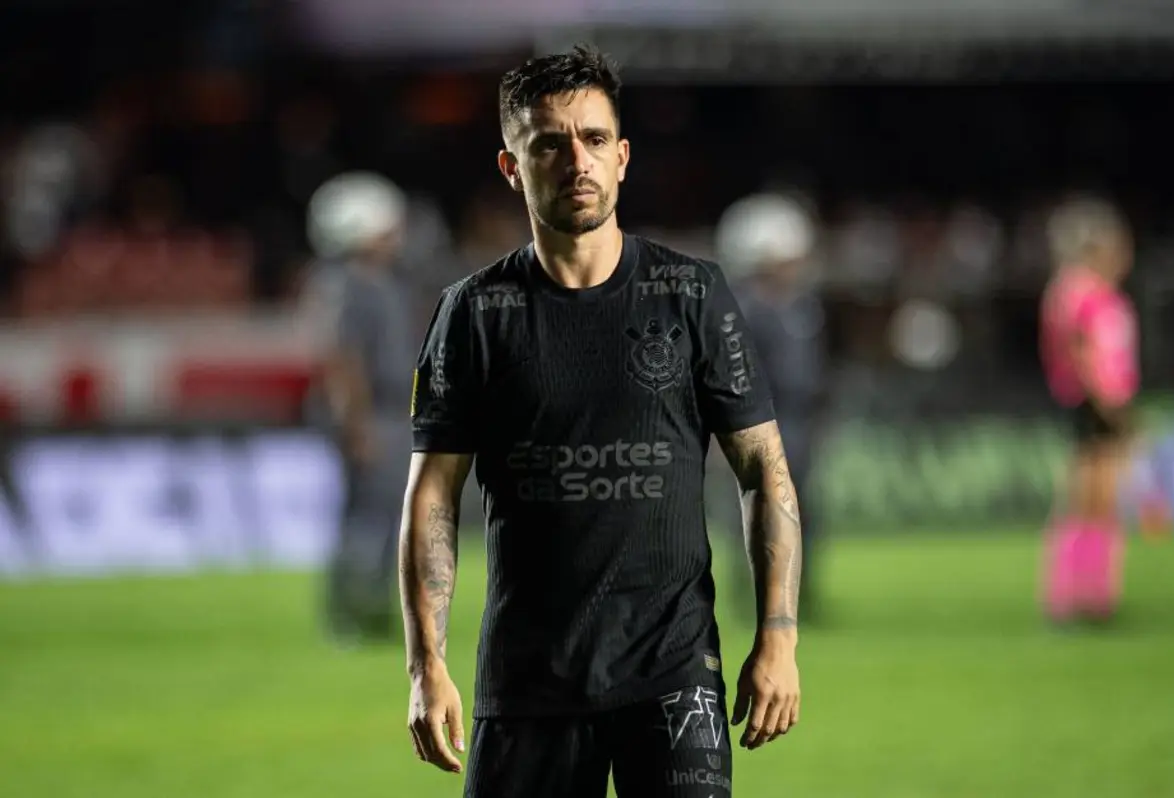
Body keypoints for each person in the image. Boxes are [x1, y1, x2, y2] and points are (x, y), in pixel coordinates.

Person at [400, 45, 804, 797]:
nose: (574, 160)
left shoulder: (693, 296)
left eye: (592, 139)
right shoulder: (474, 314)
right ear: (511, 167)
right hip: (527, 684)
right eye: (548, 142)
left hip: (675, 675)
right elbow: (432, 498)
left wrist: (777, 636)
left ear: (622, 157)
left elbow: (763, 471)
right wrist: (427, 665)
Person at [302, 171, 422, 643]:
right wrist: (357, 424)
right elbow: (344, 359)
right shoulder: (351, 285)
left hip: (385, 413)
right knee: (372, 516)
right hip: (374, 415)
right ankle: (357, 613)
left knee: (376, 515)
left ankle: (366, 610)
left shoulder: (372, 281)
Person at [715, 192, 829, 624]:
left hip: (800, 422)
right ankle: (760, 597)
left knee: (803, 513)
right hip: (761, 425)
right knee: (758, 514)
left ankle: (801, 596)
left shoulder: (804, 306)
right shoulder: (745, 310)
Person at [1039, 195, 1140, 625]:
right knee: (1091, 500)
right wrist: (1108, 404)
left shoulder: (1093, 292)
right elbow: (1082, 351)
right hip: (1092, 403)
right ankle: (1077, 595)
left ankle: (1090, 595)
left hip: (1097, 400)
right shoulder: (1079, 291)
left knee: (1097, 501)